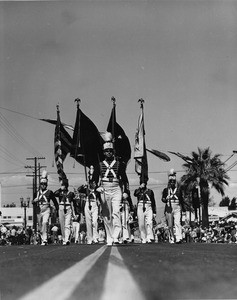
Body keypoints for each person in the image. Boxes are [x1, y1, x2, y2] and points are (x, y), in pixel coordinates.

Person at [92, 138, 130, 246]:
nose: (109, 153)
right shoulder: (98, 165)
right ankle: (109, 236)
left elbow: (125, 180)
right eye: (107, 151)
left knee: (116, 212)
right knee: (106, 215)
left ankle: (116, 236)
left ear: (113, 152)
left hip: (116, 188)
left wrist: (126, 191)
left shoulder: (120, 164)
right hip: (104, 189)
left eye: (110, 151)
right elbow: (93, 181)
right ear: (104, 152)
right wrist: (96, 188)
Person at [32, 171, 59, 246]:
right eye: (42, 184)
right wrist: (34, 201)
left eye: (44, 184)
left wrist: (57, 209)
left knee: (45, 223)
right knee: (40, 226)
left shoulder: (50, 192)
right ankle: (42, 236)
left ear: (46, 184)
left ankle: (45, 239)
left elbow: (55, 201)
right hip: (39, 209)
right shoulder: (36, 193)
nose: (43, 185)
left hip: (46, 209)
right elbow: (33, 202)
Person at [161, 169, 184, 244]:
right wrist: (166, 198)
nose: (172, 183)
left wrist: (183, 210)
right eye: (171, 182)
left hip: (177, 207)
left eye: (173, 182)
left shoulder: (179, 190)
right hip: (169, 207)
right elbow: (163, 199)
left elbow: (181, 200)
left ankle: (179, 237)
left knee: (177, 222)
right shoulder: (166, 190)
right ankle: (171, 236)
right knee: (170, 225)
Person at [54, 177, 75, 245]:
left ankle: (67, 239)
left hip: (68, 207)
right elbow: (55, 194)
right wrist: (60, 189)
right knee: (62, 224)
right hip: (61, 207)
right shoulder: (59, 193)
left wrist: (74, 213)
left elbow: (72, 203)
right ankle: (64, 238)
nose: (62, 186)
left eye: (63, 185)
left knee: (67, 224)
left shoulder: (70, 193)